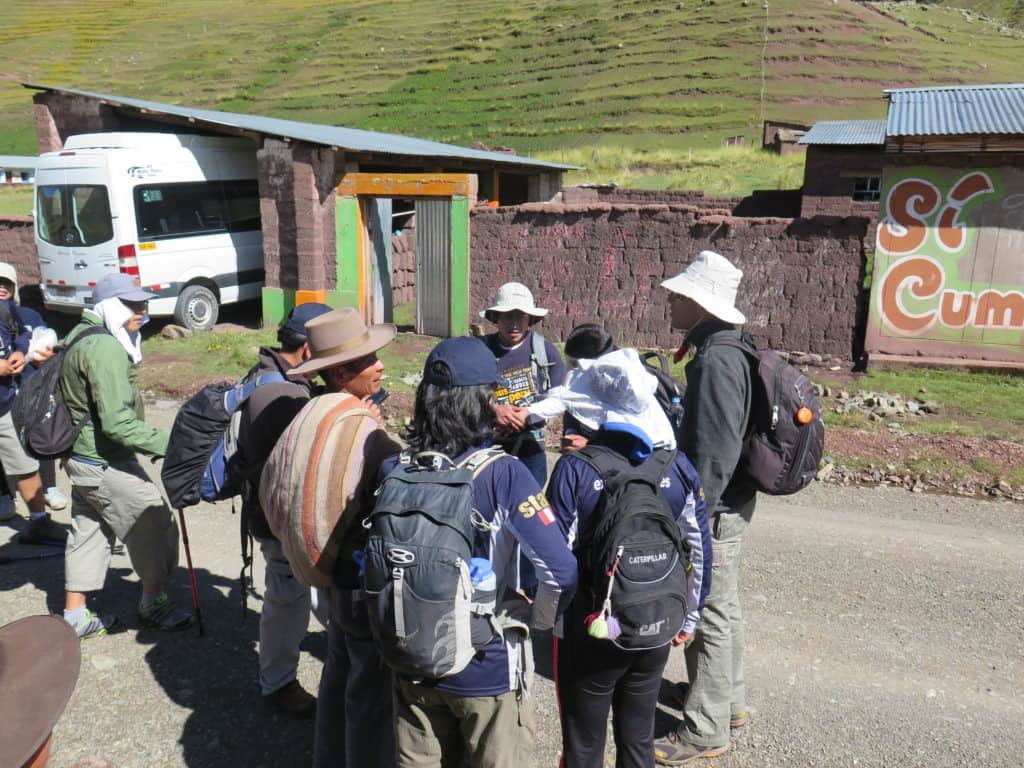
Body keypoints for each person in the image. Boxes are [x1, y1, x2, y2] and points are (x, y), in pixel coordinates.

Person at [386, 336, 577, 768]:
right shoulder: (504, 475)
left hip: (410, 660)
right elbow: (561, 571)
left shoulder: (395, 467)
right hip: (484, 667)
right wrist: (535, 620)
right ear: (483, 402)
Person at [545, 348, 711, 768]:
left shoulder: (574, 470)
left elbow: (554, 563)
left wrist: (551, 624)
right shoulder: (678, 466)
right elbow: (701, 549)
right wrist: (688, 618)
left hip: (593, 629)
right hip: (656, 620)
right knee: (638, 740)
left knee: (583, 745)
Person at [278, 309, 401, 767]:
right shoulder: (362, 430)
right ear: (341, 372)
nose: (381, 366)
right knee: (368, 692)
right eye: (369, 359)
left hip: (324, 572)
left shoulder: (311, 410)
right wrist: (377, 433)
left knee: (338, 670)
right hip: (356, 578)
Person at [653, 251, 756, 765]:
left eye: (677, 295)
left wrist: (692, 515)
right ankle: (726, 702)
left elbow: (715, 452)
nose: (670, 300)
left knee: (709, 613)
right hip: (732, 502)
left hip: (713, 508)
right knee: (725, 607)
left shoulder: (716, 360)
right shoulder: (727, 348)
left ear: (699, 303)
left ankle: (705, 730)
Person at [59, 273, 193, 639]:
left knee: (90, 528)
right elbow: (117, 423)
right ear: (110, 306)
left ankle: (75, 615)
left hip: (81, 457)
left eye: (143, 303)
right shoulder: (104, 347)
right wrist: (173, 444)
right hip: (104, 460)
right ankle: (154, 603)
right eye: (132, 305)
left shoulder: (80, 335)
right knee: (154, 518)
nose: (142, 311)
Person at [235, 301, 333, 716]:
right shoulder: (282, 394)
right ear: (308, 350)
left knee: (301, 594)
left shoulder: (270, 376)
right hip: (277, 519)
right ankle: (277, 684)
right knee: (287, 600)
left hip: (267, 511)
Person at [0, 262, 64, 542]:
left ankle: (39, 522)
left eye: (6, 284)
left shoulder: (8, 311)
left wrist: (19, 352)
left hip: (4, 405)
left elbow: (24, 334)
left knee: (25, 465)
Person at [479, 282, 565, 486]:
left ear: (530, 319)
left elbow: (559, 399)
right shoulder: (480, 350)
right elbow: (461, 396)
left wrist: (528, 413)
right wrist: (493, 411)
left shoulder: (545, 351)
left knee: (530, 499)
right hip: (488, 442)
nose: (514, 323)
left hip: (530, 444)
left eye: (521, 316)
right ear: (496, 318)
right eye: (508, 316)